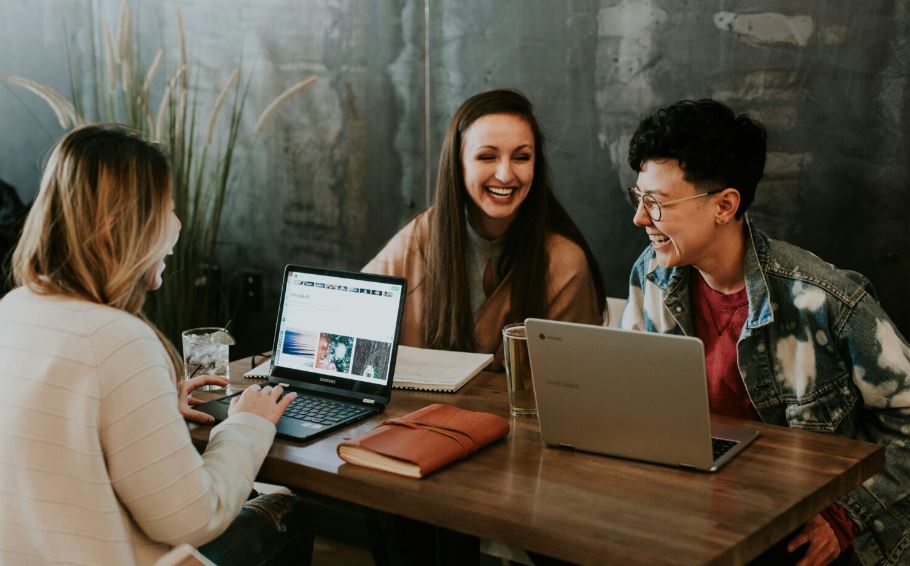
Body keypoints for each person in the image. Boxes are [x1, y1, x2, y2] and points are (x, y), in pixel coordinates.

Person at [0, 124, 312, 565]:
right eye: (166, 209)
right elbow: (193, 520)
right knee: (288, 509)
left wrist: (153, 405)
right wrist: (246, 425)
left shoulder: (14, 307)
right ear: (121, 226)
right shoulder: (119, 340)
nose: (178, 224)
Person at [620, 99, 910, 565]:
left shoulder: (824, 299)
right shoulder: (651, 275)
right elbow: (630, 398)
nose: (639, 218)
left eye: (656, 202)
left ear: (724, 205)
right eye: (638, 197)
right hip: (696, 511)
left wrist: (845, 516)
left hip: (800, 526)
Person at [364, 89, 605, 367]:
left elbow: (574, 377)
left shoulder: (565, 262)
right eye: (487, 157)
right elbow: (353, 315)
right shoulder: (420, 236)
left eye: (521, 157)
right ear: (458, 164)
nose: (505, 174)